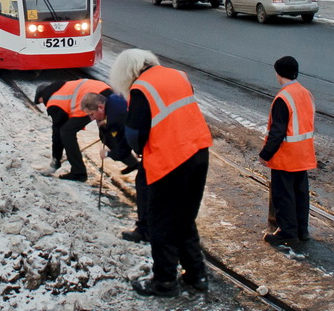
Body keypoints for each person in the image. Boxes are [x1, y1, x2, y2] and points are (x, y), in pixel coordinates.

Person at [111, 48, 212, 298]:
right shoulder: (178, 75)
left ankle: (164, 281)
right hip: (199, 152)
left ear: (127, 71)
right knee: (185, 217)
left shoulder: (141, 88)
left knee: (162, 222)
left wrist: (137, 149)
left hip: (171, 161)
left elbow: (134, 134)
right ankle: (196, 275)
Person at [260, 56, 316, 247]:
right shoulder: (305, 93)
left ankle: (287, 233)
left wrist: (265, 154)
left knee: (283, 195)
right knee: (300, 194)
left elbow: (278, 131)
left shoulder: (283, 98)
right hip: (304, 153)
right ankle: (302, 230)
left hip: (286, 156)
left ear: (278, 73)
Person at [80, 91, 148, 244]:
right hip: (147, 137)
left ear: (100, 107)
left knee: (144, 185)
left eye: (92, 114)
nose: (92, 119)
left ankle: (145, 230)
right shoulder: (113, 100)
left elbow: (123, 150)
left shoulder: (115, 119)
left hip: (154, 145)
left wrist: (108, 154)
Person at [34, 79, 111, 182]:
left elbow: (57, 132)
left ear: (42, 96)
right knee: (108, 134)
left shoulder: (53, 101)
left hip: (92, 99)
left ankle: (78, 173)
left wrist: (56, 160)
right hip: (104, 91)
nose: (44, 104)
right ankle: (131, 161)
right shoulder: (63, 88)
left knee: (66, 132)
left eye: (41, 101)